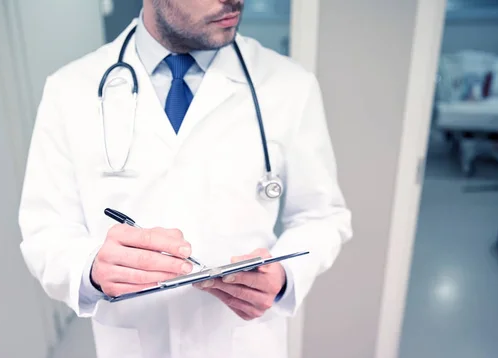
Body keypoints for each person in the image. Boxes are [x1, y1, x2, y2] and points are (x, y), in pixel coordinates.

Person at [18, 0, 353, 357]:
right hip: (135, 344)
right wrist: (91, 269)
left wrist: (285, 273)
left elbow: (321, 216)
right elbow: (46, 230)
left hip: (243, 342)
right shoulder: (69, 90)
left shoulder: (289, 86)